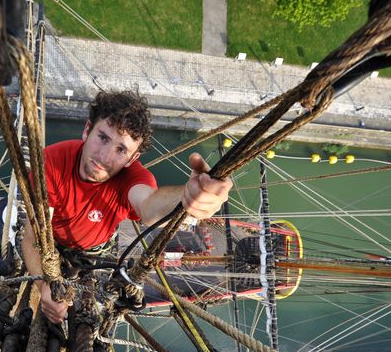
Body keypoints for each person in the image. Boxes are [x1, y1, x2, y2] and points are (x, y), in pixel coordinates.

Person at [22, 90, 233, 324]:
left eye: (121, 150)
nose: (104, 157)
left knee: (91, 315)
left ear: (132, 159)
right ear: (86, 130)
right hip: (53, 242)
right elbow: (34, 238)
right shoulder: (52, 162)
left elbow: (149, 205)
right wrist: (43, 286)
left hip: (95, 251)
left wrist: (188, 198)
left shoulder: (132, 178)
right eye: (103, 137)